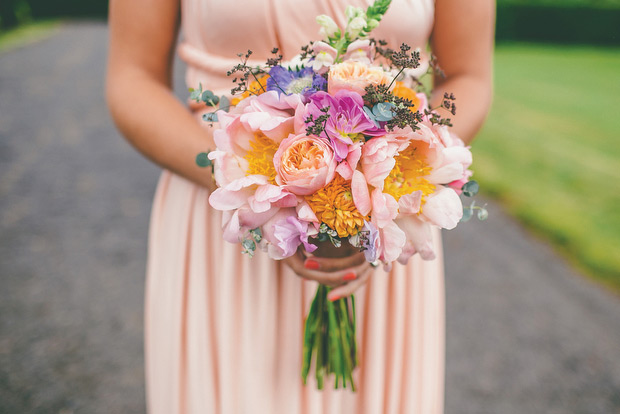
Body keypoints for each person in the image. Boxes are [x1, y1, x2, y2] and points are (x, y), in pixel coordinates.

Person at [106, 0, 494, 412]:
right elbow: (133, 77)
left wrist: (378, 189)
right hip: (225, 210)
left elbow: (468, 75)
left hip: (383, 217)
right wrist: (260, 192)